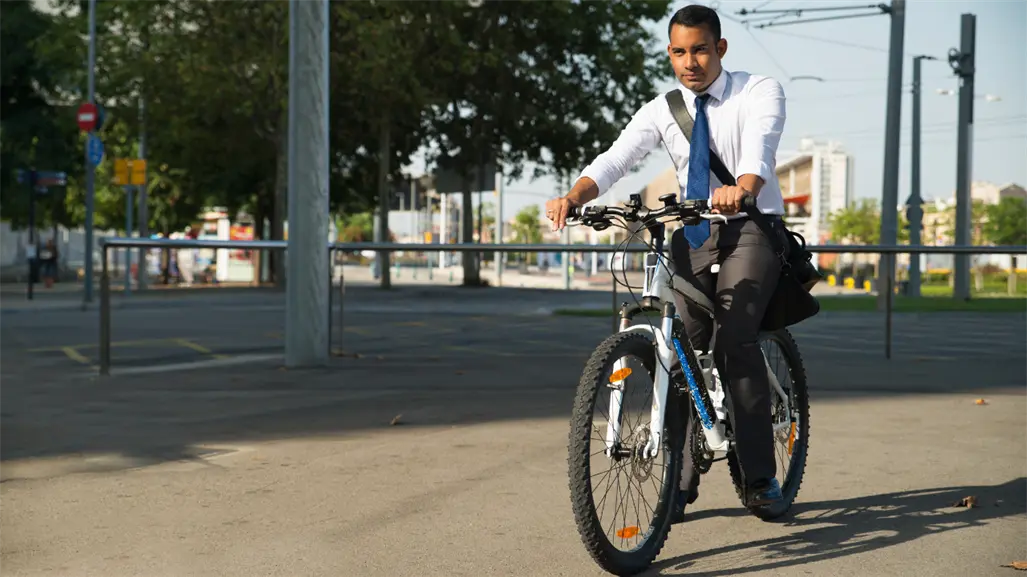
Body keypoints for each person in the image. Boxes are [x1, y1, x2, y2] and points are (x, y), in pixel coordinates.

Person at [545, 4, 788, 521]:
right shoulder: (664, 107)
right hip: (694, 229)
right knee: (678, 350)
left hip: (749, 226)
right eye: (679, 52)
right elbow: (617, 157)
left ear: (720, 48)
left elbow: (759, 152)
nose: (689, 62)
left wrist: (741, 191)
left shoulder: (757, 91)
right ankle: (679, 480)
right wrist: (575, 195)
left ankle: (761, 476)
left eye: (700, 49)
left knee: (734, 339)